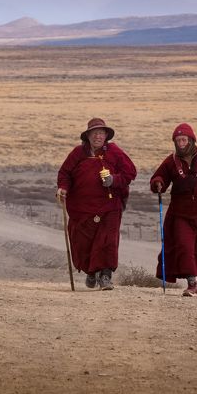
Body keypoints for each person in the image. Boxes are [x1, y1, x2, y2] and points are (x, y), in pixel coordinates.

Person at [57, 118, 137, 290]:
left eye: (101, 133)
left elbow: (130, 172)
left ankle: (106, 277)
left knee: (108, 241)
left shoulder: (115, 152)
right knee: (84, 242)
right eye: (94, 133)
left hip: (110, 206)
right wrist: (63, 188)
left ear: (106, 135)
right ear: (88, 136)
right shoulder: (78, 153)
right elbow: (65, 173)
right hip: (82, 208)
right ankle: (91, 272)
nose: (98, 136)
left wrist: (114, 180)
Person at [150, 123, 197, 297]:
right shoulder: (171, 160)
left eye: (184, 139)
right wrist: (158, 183)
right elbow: (159, 175)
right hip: (181, 215)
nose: (181, 143)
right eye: (178, 140)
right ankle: (191, 283)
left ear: (192, 140)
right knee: (184, 248)